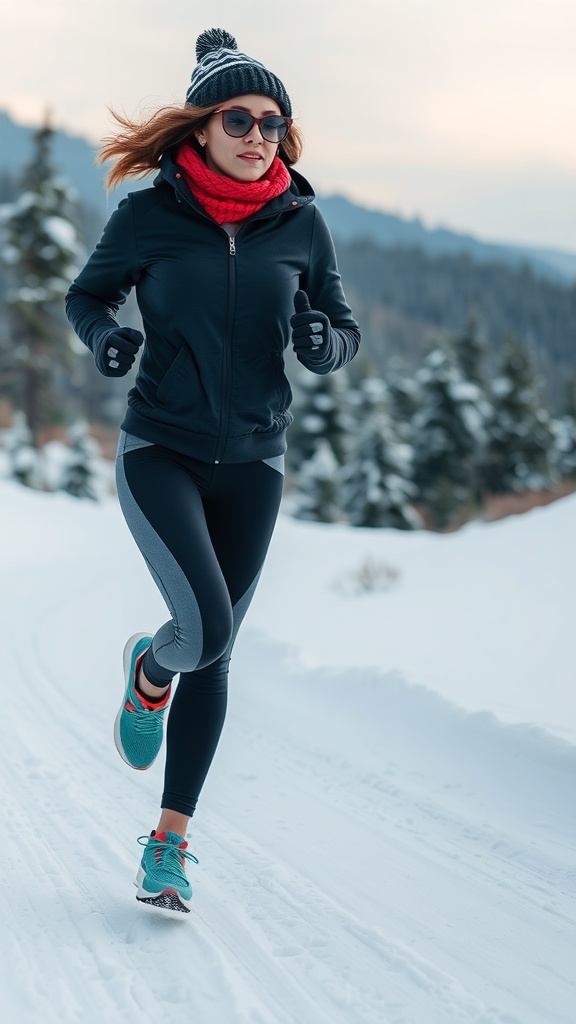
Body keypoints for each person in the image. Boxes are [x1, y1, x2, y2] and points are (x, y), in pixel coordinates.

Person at [66, 27, 360, 917]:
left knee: (217, 645)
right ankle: (152, 669)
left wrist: (326, 342)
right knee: (203, 629)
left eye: (273, 122)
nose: (259, 135)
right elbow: (88, 295)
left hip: (255, 463)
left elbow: (340, 326)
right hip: (161, 450)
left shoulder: (301, 221)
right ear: (200, 127)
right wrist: (106, 339)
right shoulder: (148, 216)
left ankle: (169, 846)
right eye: (239, 118)